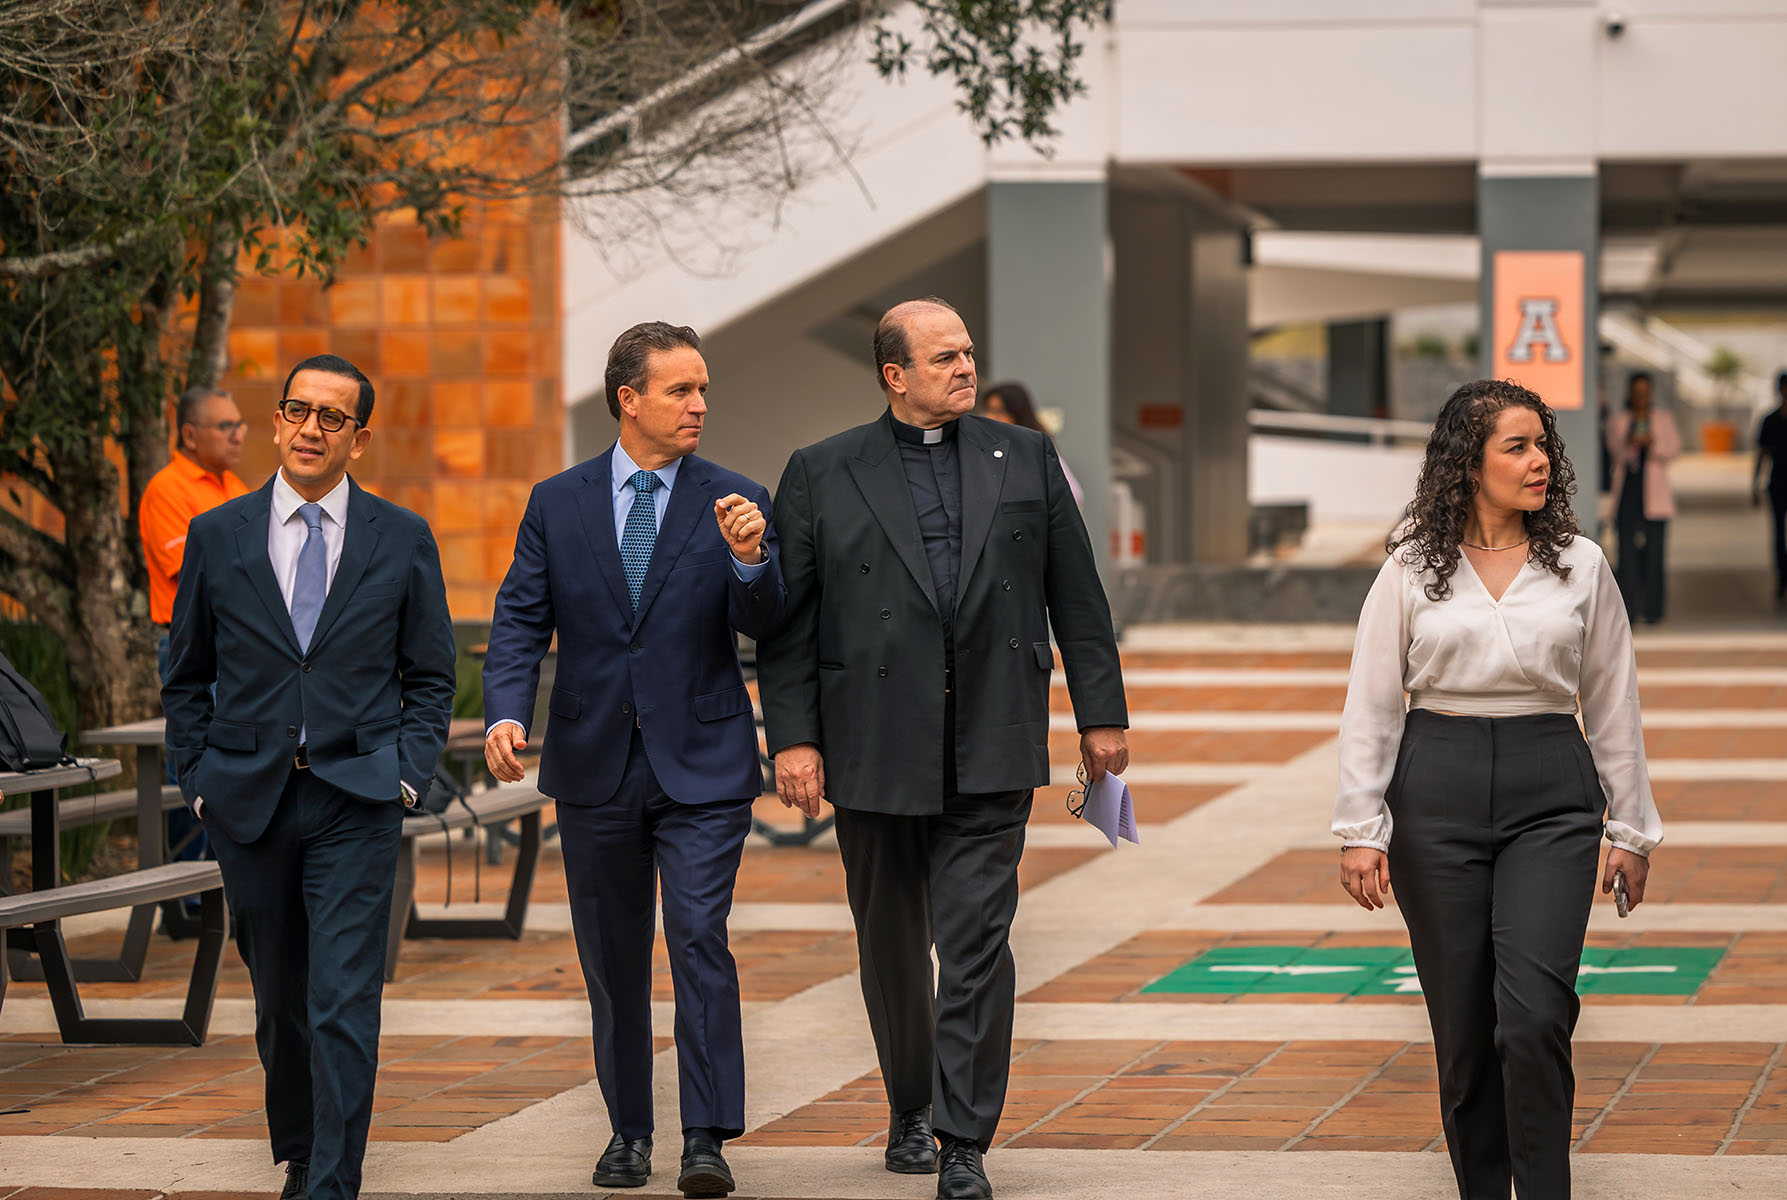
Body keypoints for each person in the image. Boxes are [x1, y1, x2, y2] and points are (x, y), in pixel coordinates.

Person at [758, 297, 1128, 1200]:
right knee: (891, 945)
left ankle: (963, 1140)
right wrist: (795, 739)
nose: (966, 367)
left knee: (975, 945)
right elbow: (788, 625)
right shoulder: (821, 470)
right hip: (873, 744)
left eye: (968, 353)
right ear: (895, 375)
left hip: (991, 737)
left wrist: (1101, 716)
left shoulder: (1026, 457)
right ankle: (910, 1105)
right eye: (944, 357)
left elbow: (1076, 594)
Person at [1335, 378, 1663, 1200]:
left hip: (1550, 787)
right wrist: (1360, 827)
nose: (1539, 460)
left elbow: (1614, 697)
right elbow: (1373, 700)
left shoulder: (1581, 565)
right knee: (1466, 1030)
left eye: (1542, 444)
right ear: (1466, 462)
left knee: (1535, 1014)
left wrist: (1631, 829)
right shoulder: (1412, 565)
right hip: (1434, 790)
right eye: (1516, 446)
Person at [481, 322, 785, 1200]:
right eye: (680, 390)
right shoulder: (557, 500)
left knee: (698, 940)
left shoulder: (736, 498)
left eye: (702, 390)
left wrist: (750, 558)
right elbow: (518, 621)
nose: (699, 406)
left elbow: (768, 622)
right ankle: (627, 1132)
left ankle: (705, 1137)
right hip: (593, 763)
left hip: (704, 762)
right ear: (629, 399)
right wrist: (505, 713)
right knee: (612, 959)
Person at [164, 355, 456, 1200]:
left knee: (341, 996)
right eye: (298, 411)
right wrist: (199, 780)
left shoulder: (399, 537)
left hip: (356, 798)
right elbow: (186, 674)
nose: (311, 429)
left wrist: (405, 776)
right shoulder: (220, 535)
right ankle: (300, 1145)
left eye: (333, 418)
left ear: (359, 439)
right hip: (246, 799)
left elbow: (430, 676)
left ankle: (331, 1180)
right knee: (279, 1001)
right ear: (279, 419)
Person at [139, 385, 250, 926]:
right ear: (189, 434)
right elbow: (197, 577)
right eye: (225, 425)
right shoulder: (168, 489)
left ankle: (223, 889)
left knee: (235, 761)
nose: (239, 434)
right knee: (193, 760)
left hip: (243, 649)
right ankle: (186, 904)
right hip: (194, 646)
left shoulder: (234, 486)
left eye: (240, 424)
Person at [1605, 371, 1680, 624]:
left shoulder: (1662, 419)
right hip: (1628, 493)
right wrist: (1630, 440)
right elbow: (1614, 450)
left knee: (1655, 555)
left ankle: (1653, 610)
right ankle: (1629, 610)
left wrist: (1653, 443)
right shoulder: (1619, 420)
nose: (1641, 397)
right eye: (1637, 392)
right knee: (1627, 556)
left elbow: (1672, 449)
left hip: (1655, 497)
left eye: (1645, 392)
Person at [981, 382, 1084, 507]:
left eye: (999, 411)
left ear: (1017, 414)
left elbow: (1073, 495)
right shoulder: (986, 447)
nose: (990, 417)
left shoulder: (1034, 448)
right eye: (988, 410)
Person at [1754, 370, 1787, 601]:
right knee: (1779, 534)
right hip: (1779, 482)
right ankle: (1784, 576)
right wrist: (1755, 484)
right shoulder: (1770, 420)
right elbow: (1762, 453)